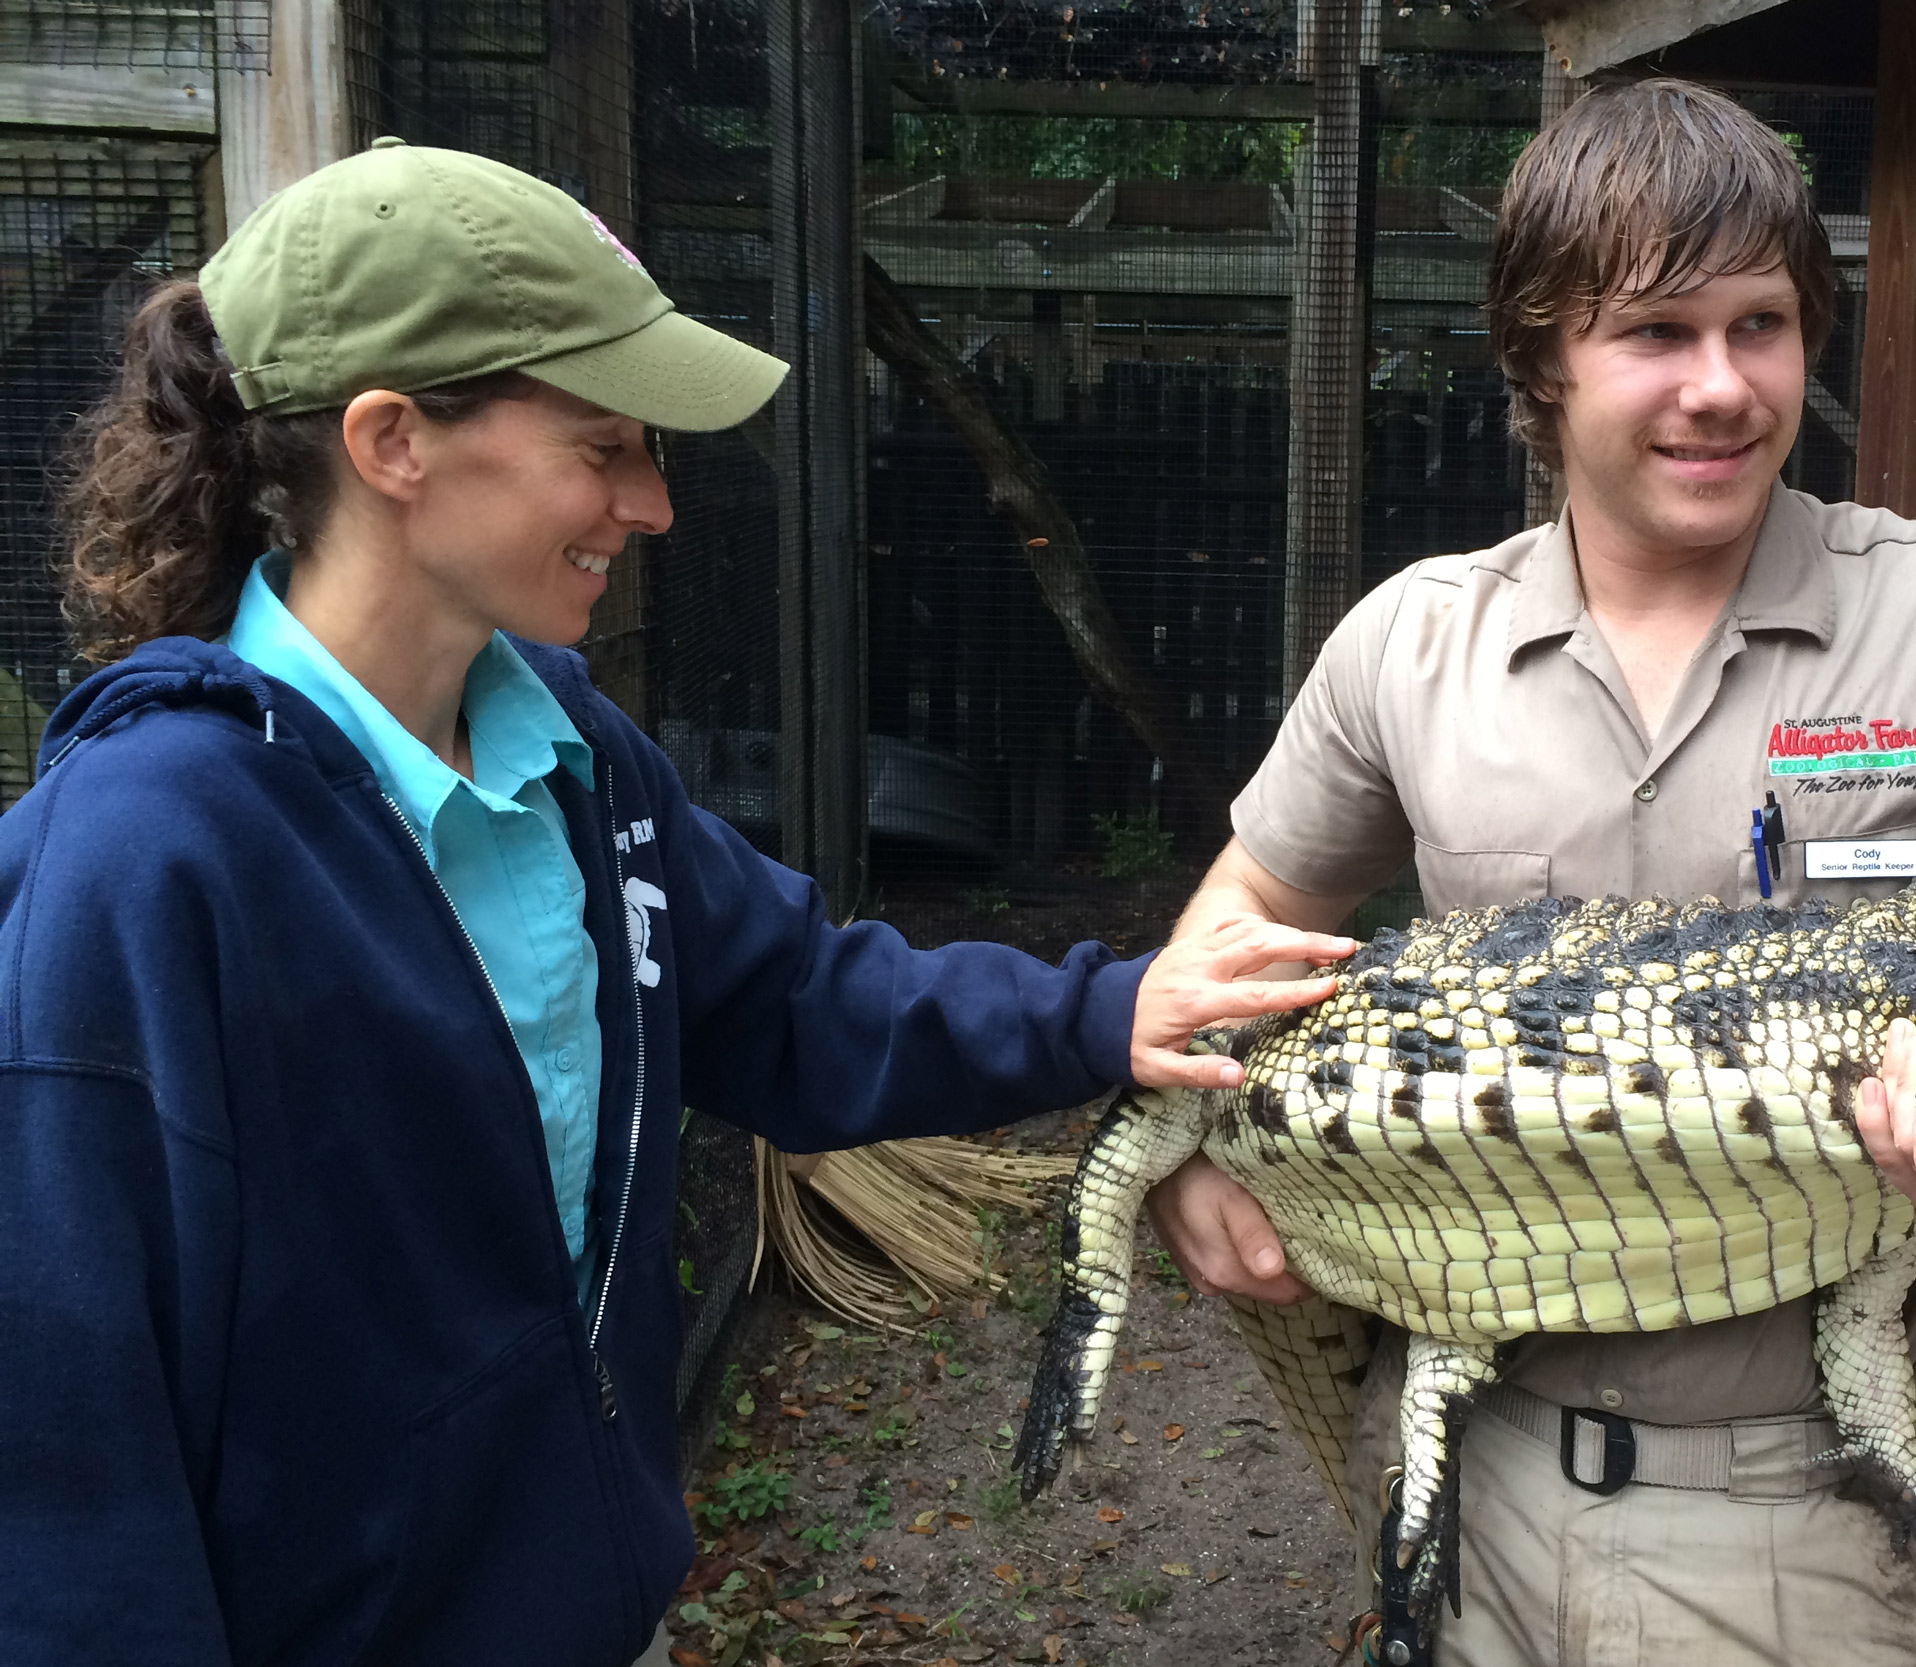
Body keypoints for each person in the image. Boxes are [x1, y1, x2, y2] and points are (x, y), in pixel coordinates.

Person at [0, 139, 1352, 1667]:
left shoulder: (571, 756)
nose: (651, 505)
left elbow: (794, 1002)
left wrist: (1114, 1011)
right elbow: (65, 1460)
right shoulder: (144, 855)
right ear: (392, 441)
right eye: (605, 447)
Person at [1143, 81, 1916, 1665]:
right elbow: (1238, 928)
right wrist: (1189, 1157)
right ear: (1542, 359)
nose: (1722, 388)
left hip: (1809, 1516)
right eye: (1658, 332)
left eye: (1764, 325)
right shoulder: (1412, 644)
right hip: (1474, 1478)